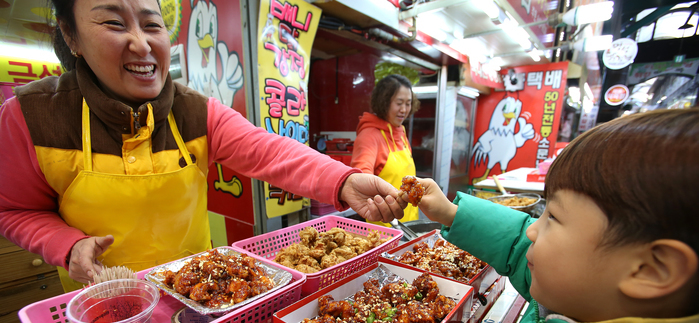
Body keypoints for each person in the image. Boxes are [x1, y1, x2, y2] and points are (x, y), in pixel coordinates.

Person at [0, 0, 408, 291]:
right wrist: (65, 244)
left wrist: (342, 181)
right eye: (113, 23)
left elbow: (269, 151)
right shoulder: (30, 117)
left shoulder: (196, 111)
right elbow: (15, 210)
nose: (141, 44)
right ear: (71, 36)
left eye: (151, 24)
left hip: (198, 293)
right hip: (102, 305)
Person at [413, 108, 699, 323]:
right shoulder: (587, 297)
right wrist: (451, 214)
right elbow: (519, 246)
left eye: (553, 217)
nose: (533, 229)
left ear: (651, 270)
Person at [351, 74, 420, 227]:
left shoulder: (401, 133)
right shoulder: (369, 135)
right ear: (384, 102)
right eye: (399, 103)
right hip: (384, 229)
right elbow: (359, 178)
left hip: (411, 223)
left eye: (408, 103)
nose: (404, 110)